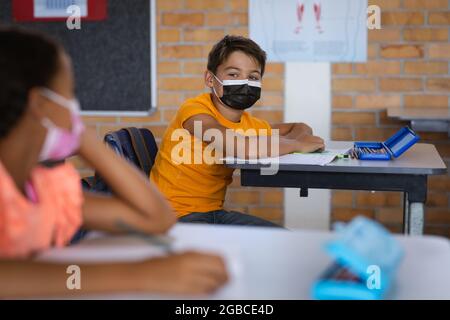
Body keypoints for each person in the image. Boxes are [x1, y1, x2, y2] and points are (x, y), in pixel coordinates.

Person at [0, 27, 228, 298]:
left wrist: (83, 136)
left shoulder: (47, 188)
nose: (75, 106)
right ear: (41, 104)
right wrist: (143, 274)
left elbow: (156, 218)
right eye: (69, 94)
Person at [151, 35, 325, 227]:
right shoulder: (195, 113)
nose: (244, 82)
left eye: (253, 77)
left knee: (283, 239)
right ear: (210, 79)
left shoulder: (248, 124)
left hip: (212, 214)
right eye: (233, 74)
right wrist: (297, 145)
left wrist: (286, 143)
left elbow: (299, 127)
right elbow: (244, 148)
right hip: (175, 218)